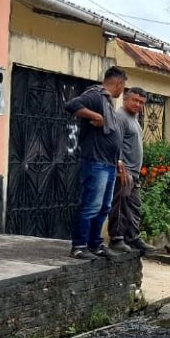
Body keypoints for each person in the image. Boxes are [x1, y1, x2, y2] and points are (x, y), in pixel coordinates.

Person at [64, 66, 127, 259]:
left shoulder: (108, 102)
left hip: (108, 163)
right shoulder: (96, 95)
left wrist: (117, 159)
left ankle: (96, 244)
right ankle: (79, 246)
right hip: (95, 162)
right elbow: (72, 105)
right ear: (118, 83)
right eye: (123, 86)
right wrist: (95, 116)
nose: (122, 90)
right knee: (91, 205)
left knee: (104, 207)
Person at [107, 87, 157, 254]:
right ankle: (117, 239)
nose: (138, 104)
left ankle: (132, 238)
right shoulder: (120, 117)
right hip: (123, 171)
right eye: (135, 100)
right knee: (120, 205)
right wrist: (119, 163)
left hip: (133, 172)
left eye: (141, 102)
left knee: (134, 206)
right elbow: (115, 143)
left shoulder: (134, 118)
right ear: (125, 99)